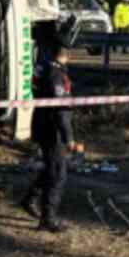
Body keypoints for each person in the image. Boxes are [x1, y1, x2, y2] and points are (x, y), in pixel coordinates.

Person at [20, 43, 81, 233]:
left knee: (51, 167)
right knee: (58, 173)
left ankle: (30, 199)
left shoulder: (42, 67)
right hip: (52, 130)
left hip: (41, 124)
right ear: (68, 56)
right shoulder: (57, 75)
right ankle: (48, 219)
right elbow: (61, 109)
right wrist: (68, 137)